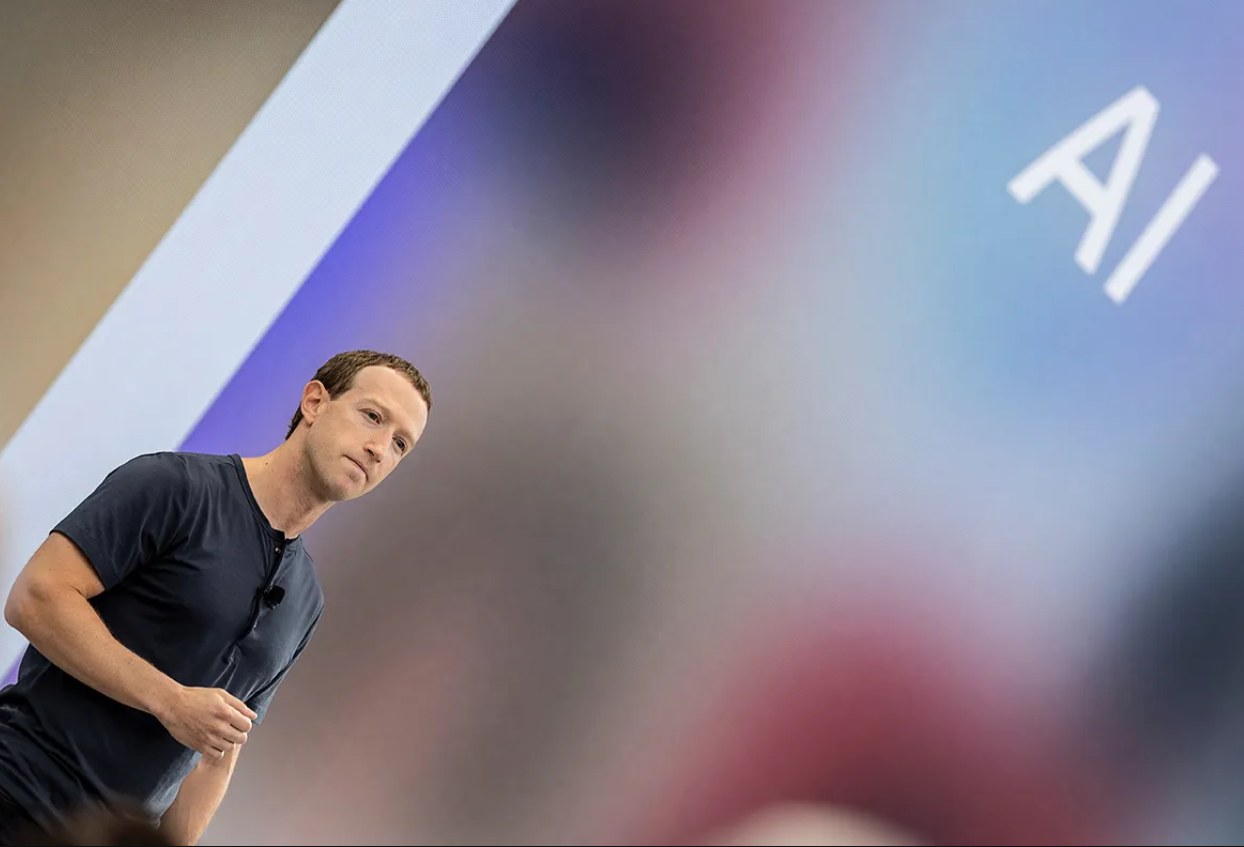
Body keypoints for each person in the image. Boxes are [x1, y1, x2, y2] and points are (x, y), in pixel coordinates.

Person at [0, 350, 431, 845]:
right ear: (315, 402)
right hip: (18, 795)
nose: (379, 448)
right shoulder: (174, 486)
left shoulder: (306, 600)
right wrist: (171, 701)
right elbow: (35, 597)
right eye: (372, 416)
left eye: (400, 444)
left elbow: (217, 753)